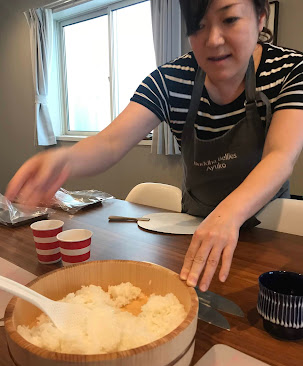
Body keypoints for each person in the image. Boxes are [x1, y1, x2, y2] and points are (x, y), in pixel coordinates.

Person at [5, 0, 303, 292]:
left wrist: (229, 215)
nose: (213, 39)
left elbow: (280, 155)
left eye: (229, 20)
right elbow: (109, 143)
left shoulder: (290, 70)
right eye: (198, 25)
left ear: (261, 15)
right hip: (194, 231)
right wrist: (64, 160)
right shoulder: (169, 80)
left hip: (270, 232)